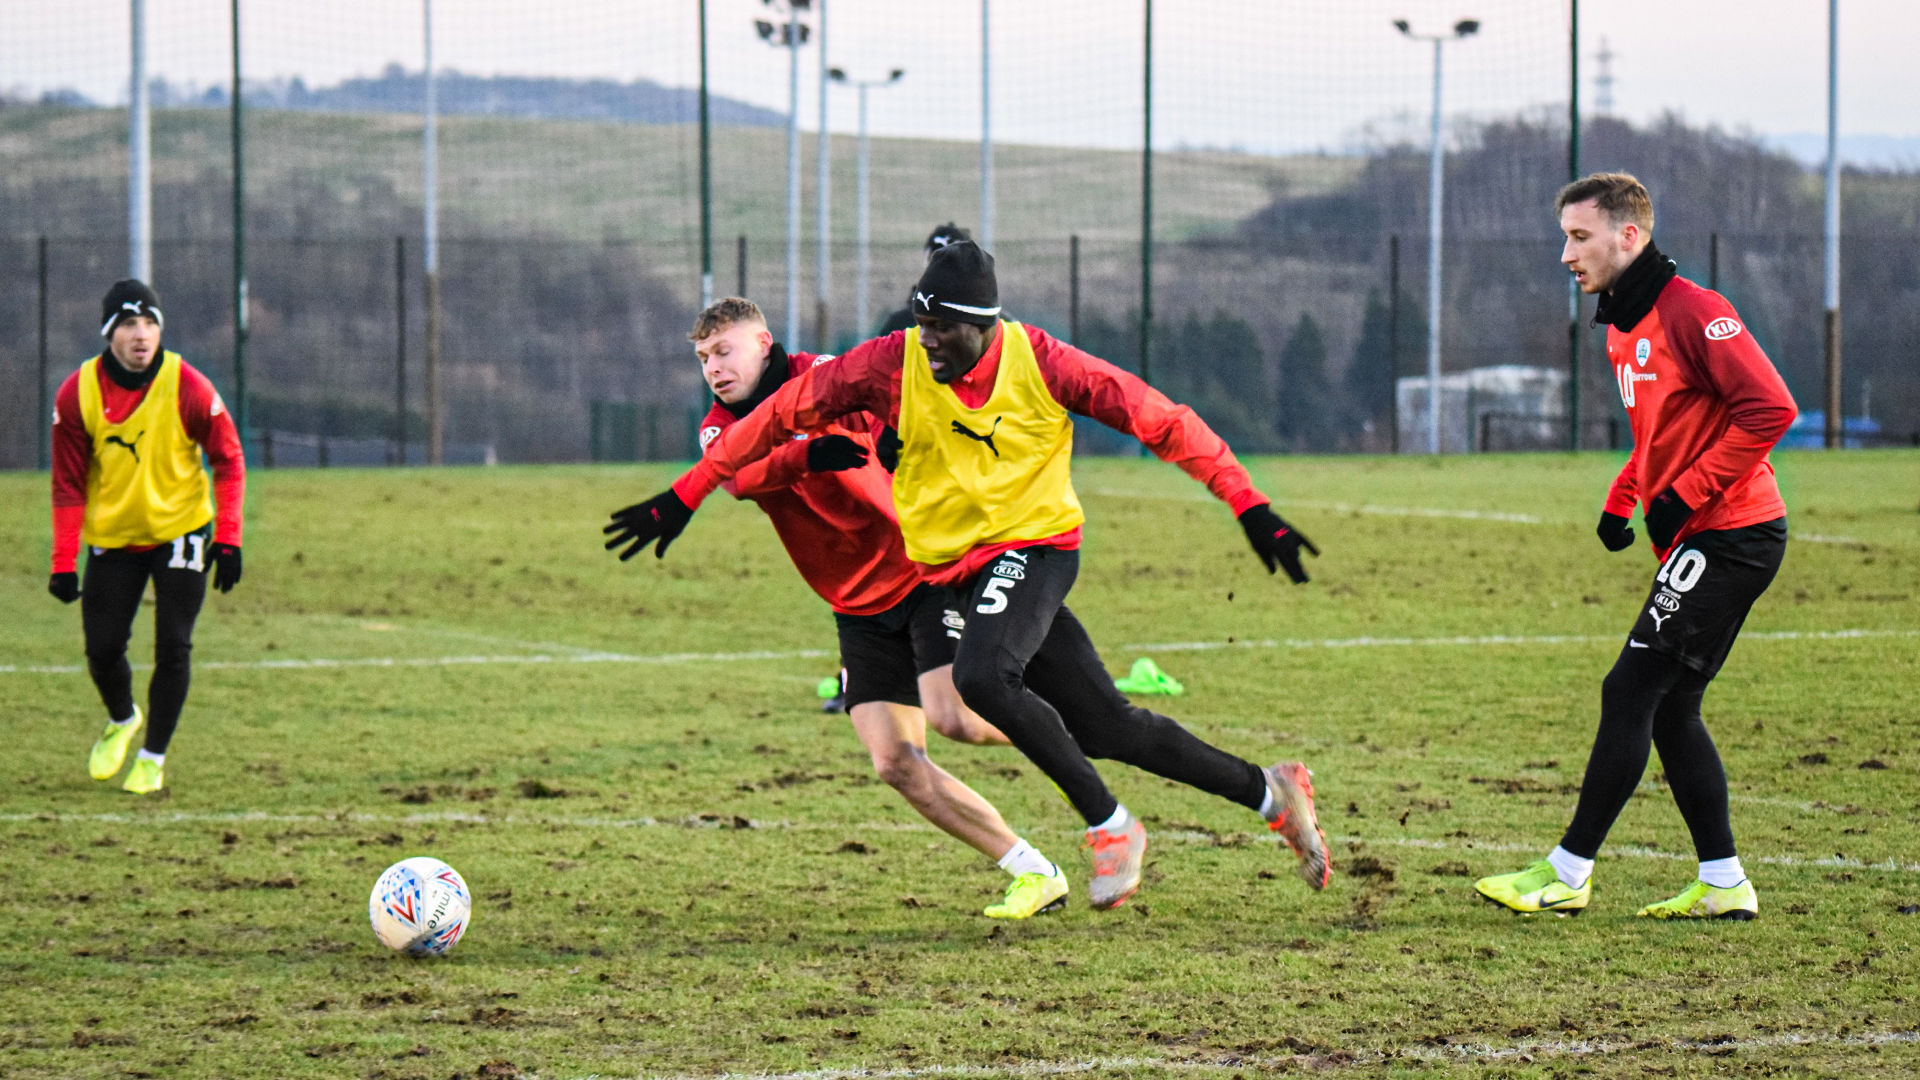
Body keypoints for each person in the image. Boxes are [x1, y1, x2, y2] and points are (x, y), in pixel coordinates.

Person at [605, 243, 1330, 910]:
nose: (930, 346)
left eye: (944, 332)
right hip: (952, 569)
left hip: (1036, 547)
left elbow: (1163, 421)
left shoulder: (1047, 363)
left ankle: (1110, 827)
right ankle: (1270, 794)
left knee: (978, 684)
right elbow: (773, 422)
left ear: (986, 326)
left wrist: (1250, 503)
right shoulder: (890, 363)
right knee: (1107, 726)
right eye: (922, 330)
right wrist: (682, 496)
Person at [614, 296, 1067, 920]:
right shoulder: (718, 426)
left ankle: (1080, 728)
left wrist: (891, 436)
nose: (713, 368)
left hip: (921, 573)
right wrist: (805, 454)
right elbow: (741, 477)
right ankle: (1033, 871)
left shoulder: (824, 371)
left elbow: (898, 399)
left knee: (955, 719)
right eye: (702, 358)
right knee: (896, 764)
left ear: (764, 343)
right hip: (855, 607)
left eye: (724, 351)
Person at [1475, 172, 1796, 920]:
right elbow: (1662, 433)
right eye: (1564, 236)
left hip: (1735, 533)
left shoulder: (1698, 312)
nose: (1566, 254)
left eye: (1579, 236)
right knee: (1674, 707)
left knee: (1629, 690)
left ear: (1631, 236)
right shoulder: (1622, 323)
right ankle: (1723, 885)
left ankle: (1567, 871)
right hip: (1707, 531)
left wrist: (1690, 493)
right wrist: (1626, 499)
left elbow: (1771, 408)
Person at [49, 279, 247, 795]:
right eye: (129, 324)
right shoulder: (78, 393)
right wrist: (63, 560)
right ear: (109, 333)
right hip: (114, 539)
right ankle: (122, 719)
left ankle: (152, 757)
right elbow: (68, 484)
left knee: (173, 647)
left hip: (180, 530)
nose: (142, 335)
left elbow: (229, 459)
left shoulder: (189, 385)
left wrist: (227, 537)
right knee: (102, 650)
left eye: (150, 323)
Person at [873, 223, 973, 336]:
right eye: (938, 260)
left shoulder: (901, 323)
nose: (945, 270)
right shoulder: (983, 324)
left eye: (952, 262)